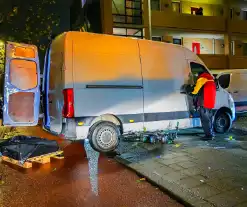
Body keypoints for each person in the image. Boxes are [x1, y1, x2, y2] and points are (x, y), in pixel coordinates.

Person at [190, 72, 216, 140]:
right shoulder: (211, 80)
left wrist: (191, 92)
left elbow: (196, 90)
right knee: (209, 119)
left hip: (204, 103)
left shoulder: (202, 78)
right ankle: (211, 133)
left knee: (205, 120)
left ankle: (208, 136)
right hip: (210, 103)